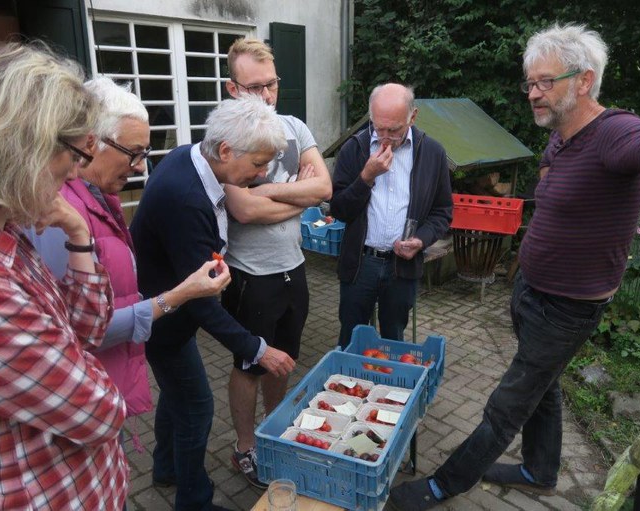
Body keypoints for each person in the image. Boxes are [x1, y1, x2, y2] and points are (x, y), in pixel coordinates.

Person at [387, 24, 640, 511]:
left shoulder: (614, 131)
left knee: (507, 405)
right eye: (530, 82)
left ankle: (444, 485)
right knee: (544, 387)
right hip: (531, 289)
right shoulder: (560, 137)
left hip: (567, 307)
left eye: (545, 82)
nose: (533, 93)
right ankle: (540, 470)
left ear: (585, 80)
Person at [0, 43, 128, 510]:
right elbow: (100, 411)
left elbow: (86, 330)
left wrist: (79, 232)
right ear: (27, 145)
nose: (66, 187)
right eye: (66, 170)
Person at [28, 77, 230, 443]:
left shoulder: (100, 199)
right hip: (85, 397)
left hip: (105, 383)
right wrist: (181, 294)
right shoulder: (59, 215)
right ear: (92, 141)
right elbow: (85, 330)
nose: (139, 167)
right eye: (133, 152)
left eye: (145, 154)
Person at [130, 95, 296, 511]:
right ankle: (194, 502)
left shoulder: (191, 155)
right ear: (225, 150)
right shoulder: (185, 198)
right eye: (259, 163)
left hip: (170, 313)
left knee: (176, 394)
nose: (262, 175)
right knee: (198, 406)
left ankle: (166, 469)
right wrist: (259, 349)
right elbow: (203, 302)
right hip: (164, 319)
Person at [221, 37, 332, 488]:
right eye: (253, 87)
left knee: (283, 359)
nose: (265, 96)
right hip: (250, 274)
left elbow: (324, 188)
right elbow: (243, 210)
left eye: (271, 85)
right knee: (250, 363)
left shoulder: (294, 127)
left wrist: (265, 191)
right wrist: (297, 198)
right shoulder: (223, 138)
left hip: (294, 267)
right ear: (232, 89)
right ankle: (245, 447)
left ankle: (275, 430)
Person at [330, 83, 452, 348]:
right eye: (378, 127)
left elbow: (442, 212)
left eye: (394, 130)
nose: (384, 137)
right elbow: (338, 209)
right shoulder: (354, 149)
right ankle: (350, 386)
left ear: (413, 116)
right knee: (352, 339)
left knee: (393, 342)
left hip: (402, 268)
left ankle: (387, 388)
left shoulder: (432, 153)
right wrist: (366, 177)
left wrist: (421, 240)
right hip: (360, 263)